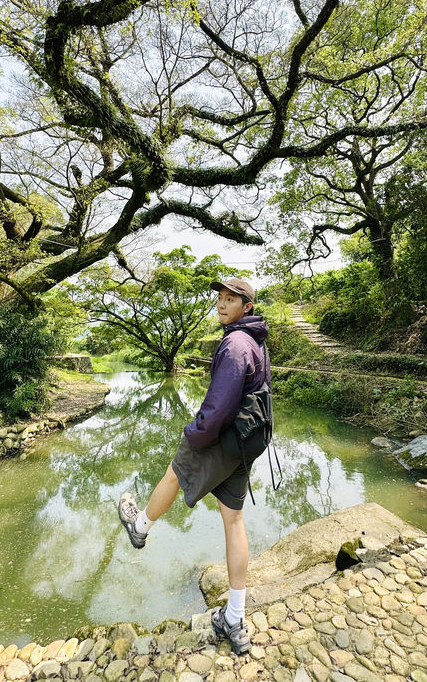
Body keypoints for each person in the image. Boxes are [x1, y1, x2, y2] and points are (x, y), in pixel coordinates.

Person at [117, 277, 270, 655]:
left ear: (246, 306)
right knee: (233, 520)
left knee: (174, 471)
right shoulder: (255, 340)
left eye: (231, 299)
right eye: (219, 297)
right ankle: (235, 617)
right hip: (246, 441)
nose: (222, 304)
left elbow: (217, 406)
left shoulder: (234, 343)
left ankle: (139, 527)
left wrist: (194, 434)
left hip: (222, 435)